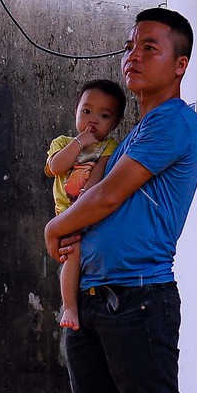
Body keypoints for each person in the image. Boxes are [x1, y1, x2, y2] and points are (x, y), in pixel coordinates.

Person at [44, 8, 197, 393]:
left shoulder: (173, 122)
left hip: (140, 296)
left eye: (150, 48)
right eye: (130, 46)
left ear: (180, 64)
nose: (133, 56)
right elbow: (92, 192)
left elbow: (106, 197)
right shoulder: (132, 131)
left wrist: (55, 226)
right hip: (91, 296)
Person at [45, 79, 129, 331]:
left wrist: (84, 205)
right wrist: (80, 142)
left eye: (103, 115)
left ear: (114, 124)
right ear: (76, 111)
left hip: (89, 212)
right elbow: (56, 167)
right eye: (86, 111)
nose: (93, 120)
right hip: (65, 217)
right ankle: (69, 306)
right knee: (72, 255)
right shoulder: (61, 143)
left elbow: (97, 180)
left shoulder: (110, 147)